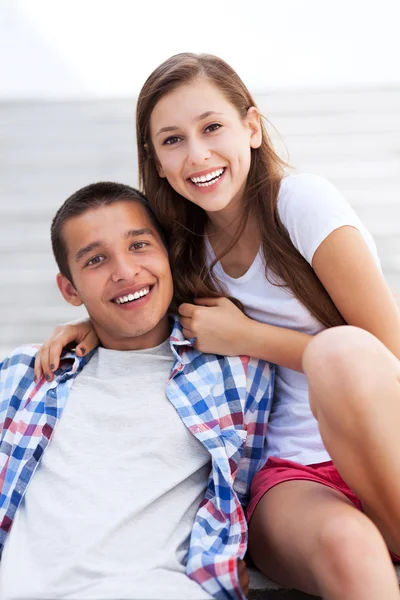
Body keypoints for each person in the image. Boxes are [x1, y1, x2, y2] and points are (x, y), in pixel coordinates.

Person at [35, 54, 400, 599]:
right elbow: (133, 293)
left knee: (341, 353)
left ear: (251, 128)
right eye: (173, 140)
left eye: (212, 128)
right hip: (289, 475)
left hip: (381, 443)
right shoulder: (184, 250)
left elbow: (386, 356)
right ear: (156, 161)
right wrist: (91, 324)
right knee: (350, 550)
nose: (197, 154)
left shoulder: (302, 205)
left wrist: (251, 339)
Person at [0, 182, 274, 600]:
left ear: (168, 252)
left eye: (140, 245)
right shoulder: (24, 374)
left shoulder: (235, 371)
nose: (125, 271)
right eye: (95, 259)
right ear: (69, 289)